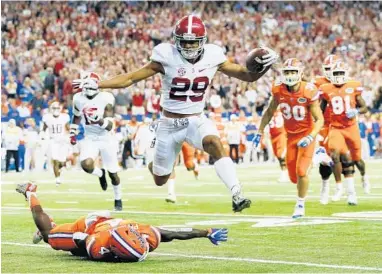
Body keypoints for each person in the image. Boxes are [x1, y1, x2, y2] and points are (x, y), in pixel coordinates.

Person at [73, 15, 279, 212]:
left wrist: (264, 67)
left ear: (203, 41)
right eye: (185, 42)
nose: (189, 47)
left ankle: (237, 194)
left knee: (214, 143)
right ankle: (153, 161)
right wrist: (99, 84)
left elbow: (247, 76)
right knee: (160, 179)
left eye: (193, 42)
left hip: (195, 119)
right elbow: (130, 78)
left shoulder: (213, 56)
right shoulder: (165, 56)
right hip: (169, 124)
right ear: (176, 41)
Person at [15, 182, 228, 262]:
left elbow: (172, 233)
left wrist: (206, 232)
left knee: (72, 249)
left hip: (107, 225)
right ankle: (31, 193)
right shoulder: (99, 245)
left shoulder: (145, 235)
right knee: (49, 237)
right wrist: (79, 241)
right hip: (89, 227)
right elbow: (81, 245)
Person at [253, 58, 324, 218]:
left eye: (293, 71)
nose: (290, 75)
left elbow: (319, 119)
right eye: (287, 72)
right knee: (293, 177)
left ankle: (300, 204)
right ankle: (314, 160)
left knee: (301, 172)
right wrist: (259, 131)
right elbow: (270, 111)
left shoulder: (308, 90)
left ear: (300, 73)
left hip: (306, 135)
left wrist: (312, 136)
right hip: (290, 136)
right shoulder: (278, 90)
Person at [70, 72, 123, 211]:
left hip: (106, 137)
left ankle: (118, 198)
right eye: (86, 87)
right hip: (90, 137)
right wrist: (73, 132)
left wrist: (98, 119)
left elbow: (110, 126)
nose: (88, 91)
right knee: (86, 165)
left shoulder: (106, 98)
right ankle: (100, 174)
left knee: (113, 173)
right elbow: (76, 116)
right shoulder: (78, 98)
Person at [320, 61, 369, 205]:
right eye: (336, 73)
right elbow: (320, 110)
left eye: (341, 73)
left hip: (351, 127)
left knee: (357, 160)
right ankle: (341, 187)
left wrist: (357, 111)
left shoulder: (353, 86)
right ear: (331, 75)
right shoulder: (326, 88)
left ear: (346, 74)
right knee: (334, 154)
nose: (339, 76)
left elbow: (364, 107)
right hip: (335, 128)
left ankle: (364, 176)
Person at [41, 102, 70, 185]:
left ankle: (63, 165)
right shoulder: (47, 117)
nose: (55, 110)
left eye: (57, 108)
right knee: (55, 160)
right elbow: (44, 127)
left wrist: (73, 132)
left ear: (60, 109)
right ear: (51, 109)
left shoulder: (64, 117)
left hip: (63, 140)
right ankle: (57, 179)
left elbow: (68, 127)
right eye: (54, 108)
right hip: (53, 140)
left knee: (62, 161)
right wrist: (42, 134)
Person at [267, 109, 289, 183]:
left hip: (281, 134)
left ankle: (285, 174)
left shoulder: (283, 110)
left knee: (281, 155)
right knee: (278, 156)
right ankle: (284, 173)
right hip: (273, 136)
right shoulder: (269, 111)